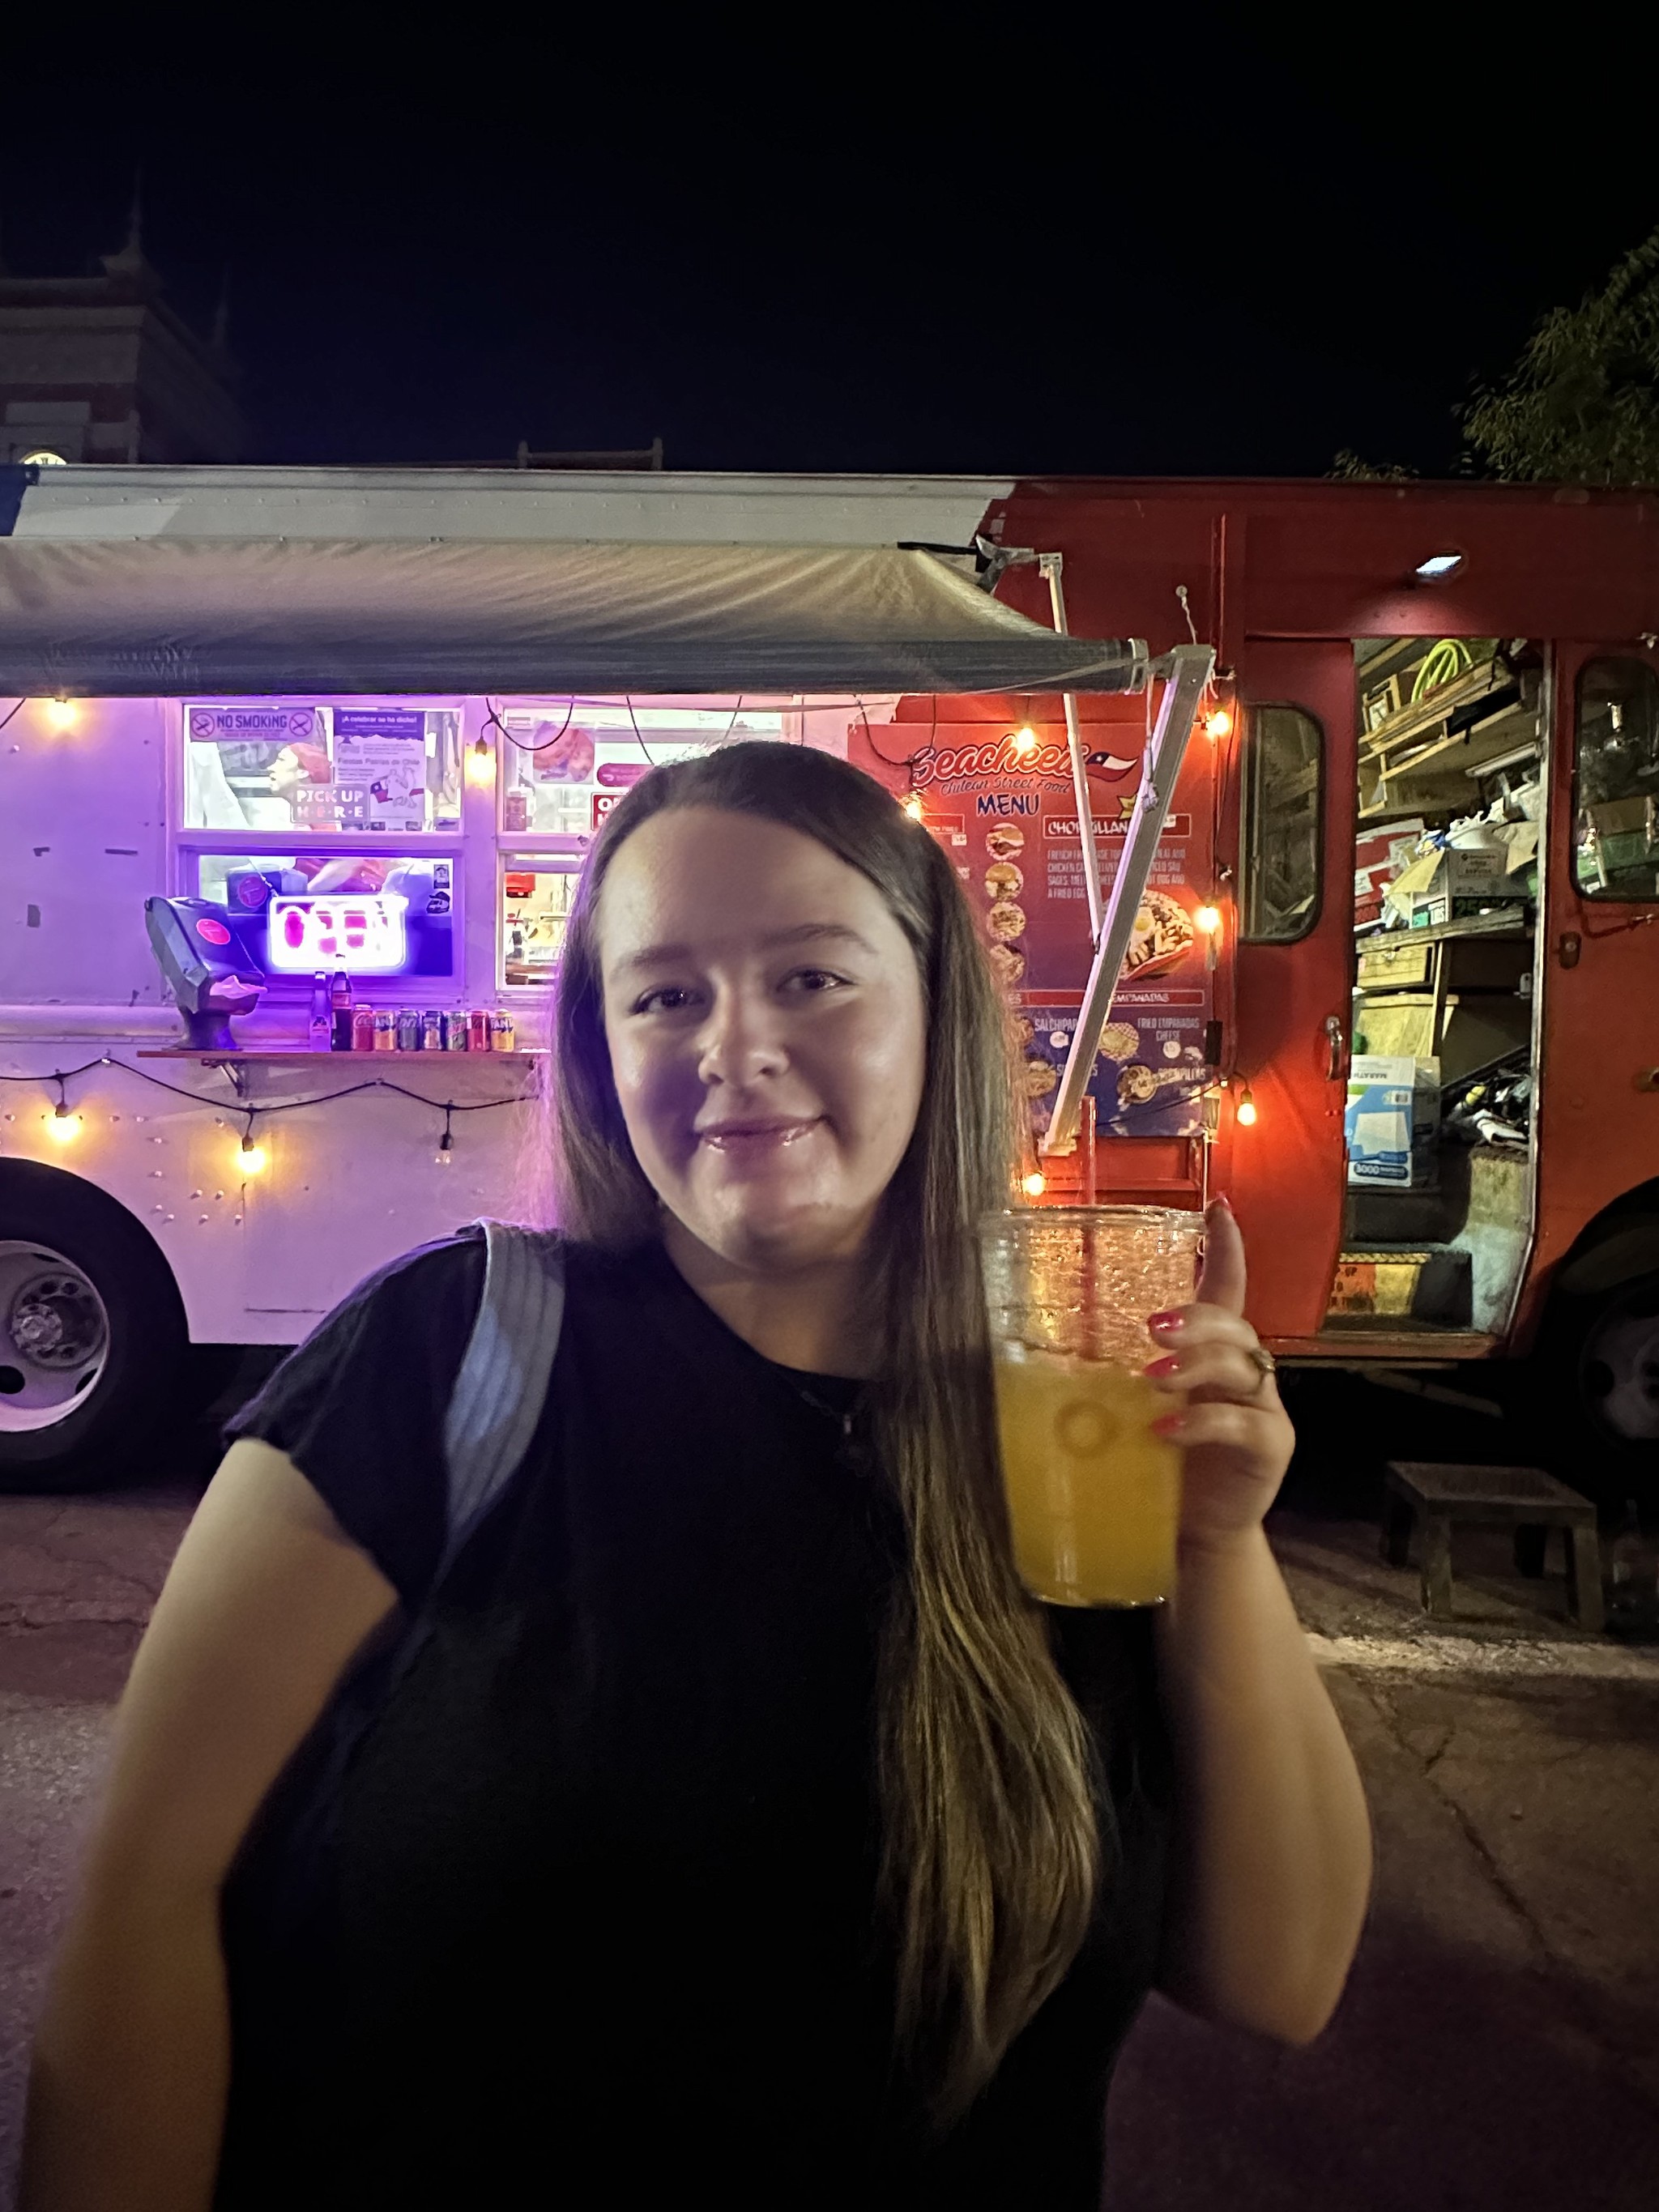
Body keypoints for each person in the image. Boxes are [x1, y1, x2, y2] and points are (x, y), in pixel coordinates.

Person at [19, 741, 1373, 2212]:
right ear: (605, 1053)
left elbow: (1277, 1977)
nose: (737, 1046)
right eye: (666, 995)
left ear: (936, 1010)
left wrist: (1225, 1547)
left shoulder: (1072, 1433)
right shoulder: (442, 1360)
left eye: (812, 977)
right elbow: (151, 1911)